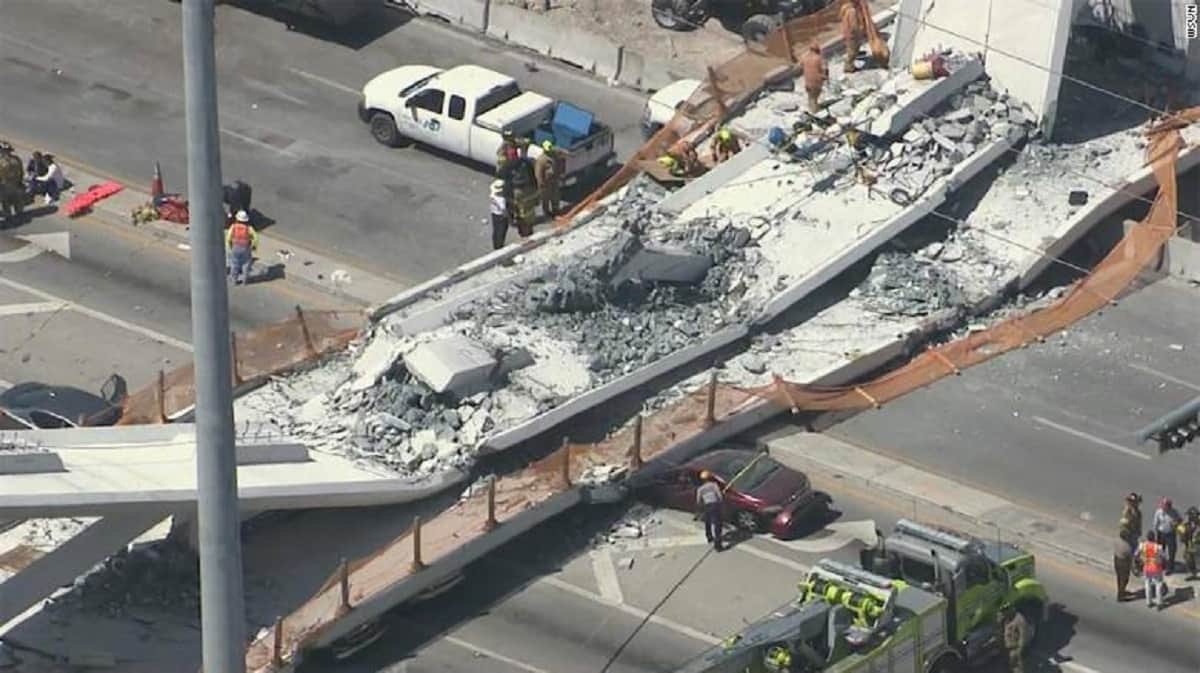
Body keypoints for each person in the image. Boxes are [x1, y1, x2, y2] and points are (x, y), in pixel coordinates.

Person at [225, 210, 259, 285]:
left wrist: (229, 247)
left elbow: (228, 238)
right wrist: (254, 246)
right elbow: (256, 237)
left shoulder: (233, 227)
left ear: (237, 219)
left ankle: (234, 280)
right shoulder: (249, 228)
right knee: (246, 264)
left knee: (234, 264)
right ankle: (245, 280)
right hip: (245, 248)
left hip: (235, 247)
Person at [1137, 531, 1168, 609]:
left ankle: (1149, 602)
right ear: (1154, 538)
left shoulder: (1142, 545)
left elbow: (1137, 554)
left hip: (1146, 567)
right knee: (1158, 584)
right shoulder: (1157, 547)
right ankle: (1159, 602)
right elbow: (1164, 556)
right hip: (1156, 568)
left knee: (1147, 584)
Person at [695, 470, 724, 551]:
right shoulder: (714, 485)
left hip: (706, 506)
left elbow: (698, 500)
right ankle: (718, 545)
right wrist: (720, 503)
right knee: (717, 524)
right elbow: (719, 496)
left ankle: (709, 537)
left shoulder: (700, 489)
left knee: (707, 522)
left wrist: (700, 508)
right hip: (715, 505)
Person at [534, 140, 563, 219]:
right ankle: (546, 213)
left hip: (554, 180)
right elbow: (538, 173)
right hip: (546, 183)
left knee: (555, 197)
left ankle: (556, 210)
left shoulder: (554, 155)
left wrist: (560, 173)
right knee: (545, 199)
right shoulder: (541, 159)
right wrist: (540, 182)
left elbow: (559, 163)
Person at [1154, 497, 1182, 573]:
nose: (1164, 508)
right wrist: (1156, 533)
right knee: (1160, 551)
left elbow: (1180, 520)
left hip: (1171, 534)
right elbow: (1156, 523)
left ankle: (1170, 567)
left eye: (1166, 506)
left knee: (1172, 551)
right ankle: (1160, 565)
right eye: (1163, 506)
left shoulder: (1174, 512)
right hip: (1161, 533)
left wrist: (1176, 523)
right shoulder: (1158, 512)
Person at [0, 143, 24, 224]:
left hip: (5, 185)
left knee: (5, 202)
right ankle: (19, 214)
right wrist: (20, 181)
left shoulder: (1, 161)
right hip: (16, 183)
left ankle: (9, 217)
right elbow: (21, 171)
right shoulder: (17, 159)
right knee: (17, 200)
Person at [800, 44, 828, 114]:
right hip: (816, 81)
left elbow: (801, 65)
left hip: (807, 81)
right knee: (814, 98)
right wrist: (825, 77)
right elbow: (825, 69)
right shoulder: (819, 58)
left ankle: (811, 108)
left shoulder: (804, 57)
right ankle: (815, 112)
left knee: (810, 96)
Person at [998, 605, 1027, 673]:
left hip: (1014, 647)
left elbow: (1022, 634)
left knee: (1016, 667)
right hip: (1010, 647)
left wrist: (1019, 649)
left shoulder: (1018, 619)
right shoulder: (1007, 620)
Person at [839, 0, 866, 73]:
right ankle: (848, 67)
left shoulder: (845, 7)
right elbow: (854, 26)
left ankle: (850, 63)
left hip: (846, 31)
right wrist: (860, 31)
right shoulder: (852, 11)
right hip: (852, 34)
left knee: (851, 48)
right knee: (852, 50)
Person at [1179, 506, 1199, 579]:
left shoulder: (1197, 522)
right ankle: (1191, 573)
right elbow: (1180, 531)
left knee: (1196, 557)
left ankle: (1196, 572)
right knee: (1187, 557)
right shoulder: (1185, 523)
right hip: (1187, 543)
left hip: (1196, 543)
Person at [489, 179, 509, 251]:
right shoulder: (501, 199)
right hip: (500, 216)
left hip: (494, 213)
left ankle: (496, 244)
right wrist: (507, 216)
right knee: (501, 231)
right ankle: (499, 246)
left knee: (496, 230)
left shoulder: (493, 195)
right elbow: (504, 210)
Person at [1113, 534, 1134, 602]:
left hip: (1116, 560)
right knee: (1124, 579)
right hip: (1124, 563)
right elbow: (1130, 557)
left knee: (1119, 577)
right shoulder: (1127, 546)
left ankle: (1121, 591)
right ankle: (1120, 596)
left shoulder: (1117, 541)